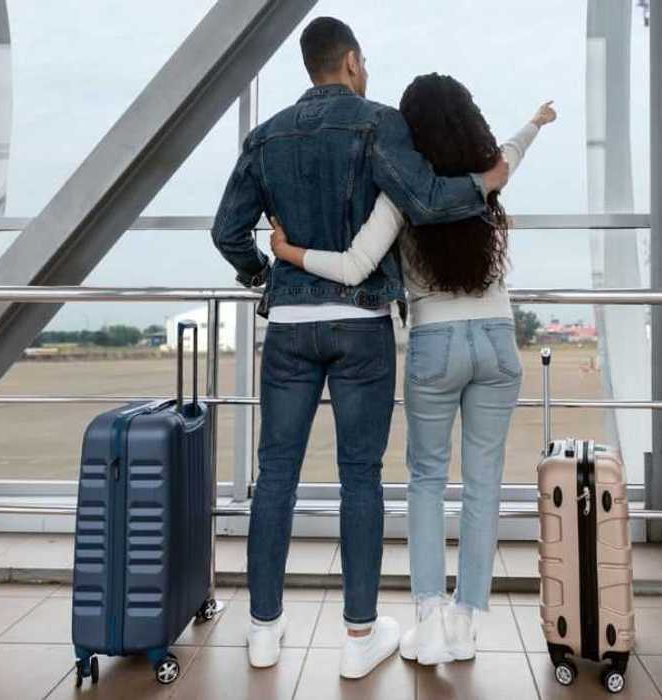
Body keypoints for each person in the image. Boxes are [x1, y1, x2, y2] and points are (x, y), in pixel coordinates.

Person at [210, 18, 509, 679]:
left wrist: (261, 272)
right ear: (348, 62)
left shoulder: (264, 137)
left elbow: (226, 231)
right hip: (362, 321)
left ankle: (263, 631)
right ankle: (357, 636)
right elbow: (426, 201)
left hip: (288, 324)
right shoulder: (378, 124)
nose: (366, 69)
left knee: (275, 476)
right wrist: (488, 180)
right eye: (363, 61)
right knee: (360, 479)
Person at [271, 73, 556, 666]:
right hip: (499, 344)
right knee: (483, 487)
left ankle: (427, 621)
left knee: (426, 481)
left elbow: (353, 266)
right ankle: (466, 623)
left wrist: (289, 253)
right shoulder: (488, 183)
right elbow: (512, 152)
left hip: (434, 344)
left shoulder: (402, 194)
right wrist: (536, 122)